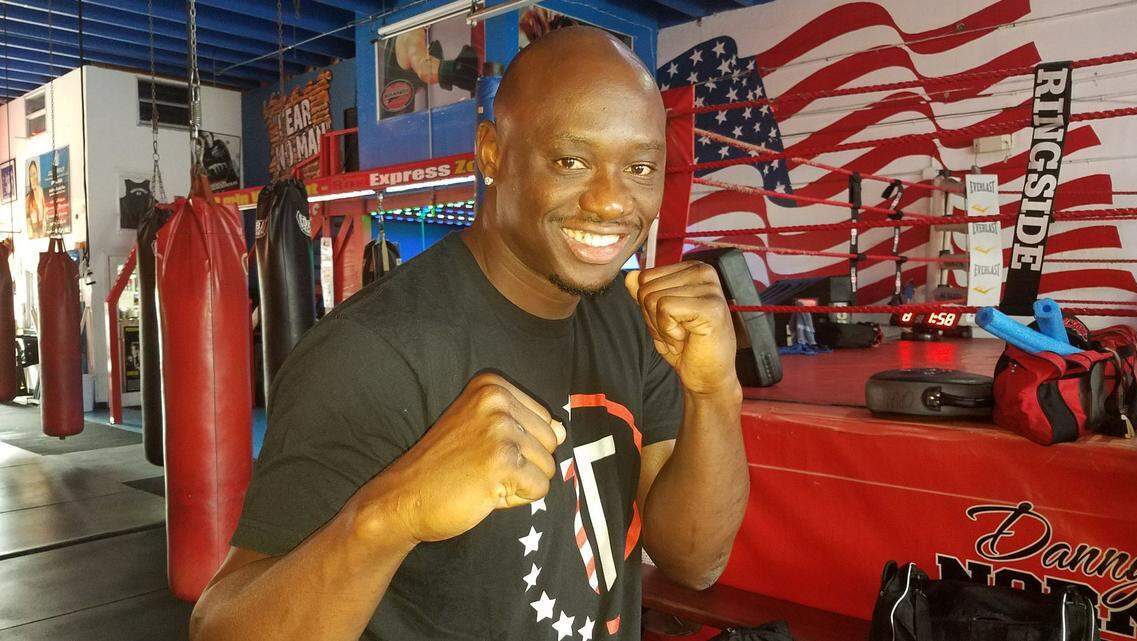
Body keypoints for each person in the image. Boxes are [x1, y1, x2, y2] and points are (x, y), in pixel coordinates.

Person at [190, 26, 748, 641]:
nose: (614, 201)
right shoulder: (372, 353)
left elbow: (695, 562)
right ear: (491, 154)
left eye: (640, 167)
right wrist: (391, 514)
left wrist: (716, 392)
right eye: (571, 160)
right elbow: (222, 628)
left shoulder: (629, 318)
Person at [25, 160, 45, 238]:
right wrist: (33, 234)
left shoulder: (41, 191)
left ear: (37, 174)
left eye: (34, 174)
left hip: (43, 232)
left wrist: (44, 225)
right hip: (34, 234)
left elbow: (45, 210)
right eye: (30, 176)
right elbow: (28, 218)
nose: (32, 178)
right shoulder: (28, 198)